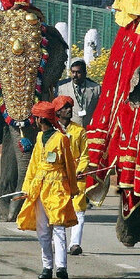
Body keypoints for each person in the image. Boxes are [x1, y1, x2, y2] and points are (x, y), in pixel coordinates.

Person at [16, 101, 79, 279]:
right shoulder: (38, 138)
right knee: (43, 230)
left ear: (40, 119)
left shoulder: (61, 139)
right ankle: (47, 266)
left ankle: (61, 267)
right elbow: (33, 165)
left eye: (35, 118)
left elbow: (69, 165)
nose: (34, 121)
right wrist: (27, 189)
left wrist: (73, 188)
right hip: (39, 187)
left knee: (58, 227)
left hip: (57, 187)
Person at [54, 95, 91, 256]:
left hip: (77, 176)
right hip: (58, 177)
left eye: (70, 107)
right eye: (65, 107)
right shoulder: (52, 132)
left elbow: (85, 155)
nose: (69, 110)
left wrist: (80, 170)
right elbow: (49, 155)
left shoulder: (79, 131)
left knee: (79, 210)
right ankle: (58, 242)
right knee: (59, 209)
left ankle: (75, 243)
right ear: (57, 112)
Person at [55, 58, 100, 128]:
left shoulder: (95, 88)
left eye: (78, 72)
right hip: (69, 129)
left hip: (88, 128)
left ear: (85, 73)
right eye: (73, 72)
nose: (75, 75)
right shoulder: (62, 87)